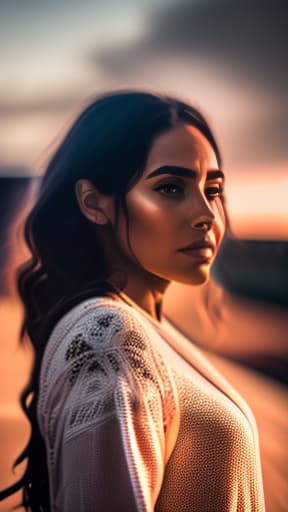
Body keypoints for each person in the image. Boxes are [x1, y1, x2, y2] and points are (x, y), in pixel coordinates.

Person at [0, 90, 265, 511]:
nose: (207, 215)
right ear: (94, 203)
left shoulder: (139, 327)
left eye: (211, 190)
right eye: (171, 188)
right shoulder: (109, 338)